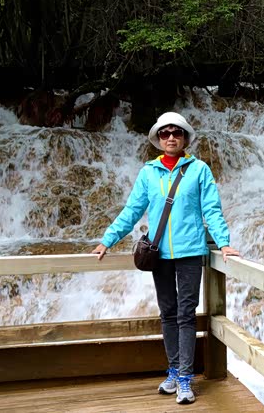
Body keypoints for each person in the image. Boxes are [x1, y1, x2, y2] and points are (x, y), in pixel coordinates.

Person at [92, 111, 240, 405]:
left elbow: (211, 210)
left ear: (185, 138)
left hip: (190, 252)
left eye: (176, 132)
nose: (171, 137)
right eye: (165, 133)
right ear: (158, 139)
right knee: (168, 313)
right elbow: (133, 210)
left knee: (186, 314)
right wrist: (107, 240)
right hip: (158, 253)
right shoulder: (149, 172)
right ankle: (173, 371)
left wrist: (224, 244)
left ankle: (185, 378)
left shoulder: (199, 170)